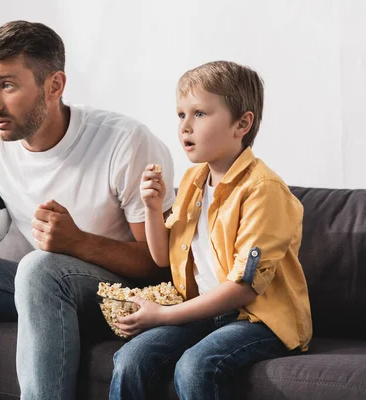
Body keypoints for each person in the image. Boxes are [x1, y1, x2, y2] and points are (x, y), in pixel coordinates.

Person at [0, 20, 176, 400]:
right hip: (34, 287)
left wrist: (78, 243)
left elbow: (157, 265)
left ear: (55, 86)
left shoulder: (124, 142)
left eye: (8, 85)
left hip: (115, 295)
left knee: (40, 266)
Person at [109, 61, 313, 400]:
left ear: (241, 124)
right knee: (131, 359)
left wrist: (167, 315)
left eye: (200, 114)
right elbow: (162, 256)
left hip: (258, 321)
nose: (185, 127)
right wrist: (152, 206)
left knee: (196, 366)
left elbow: (243, 288)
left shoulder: (263, 189)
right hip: (206, 312)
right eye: (180, 115)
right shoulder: (193, 181)